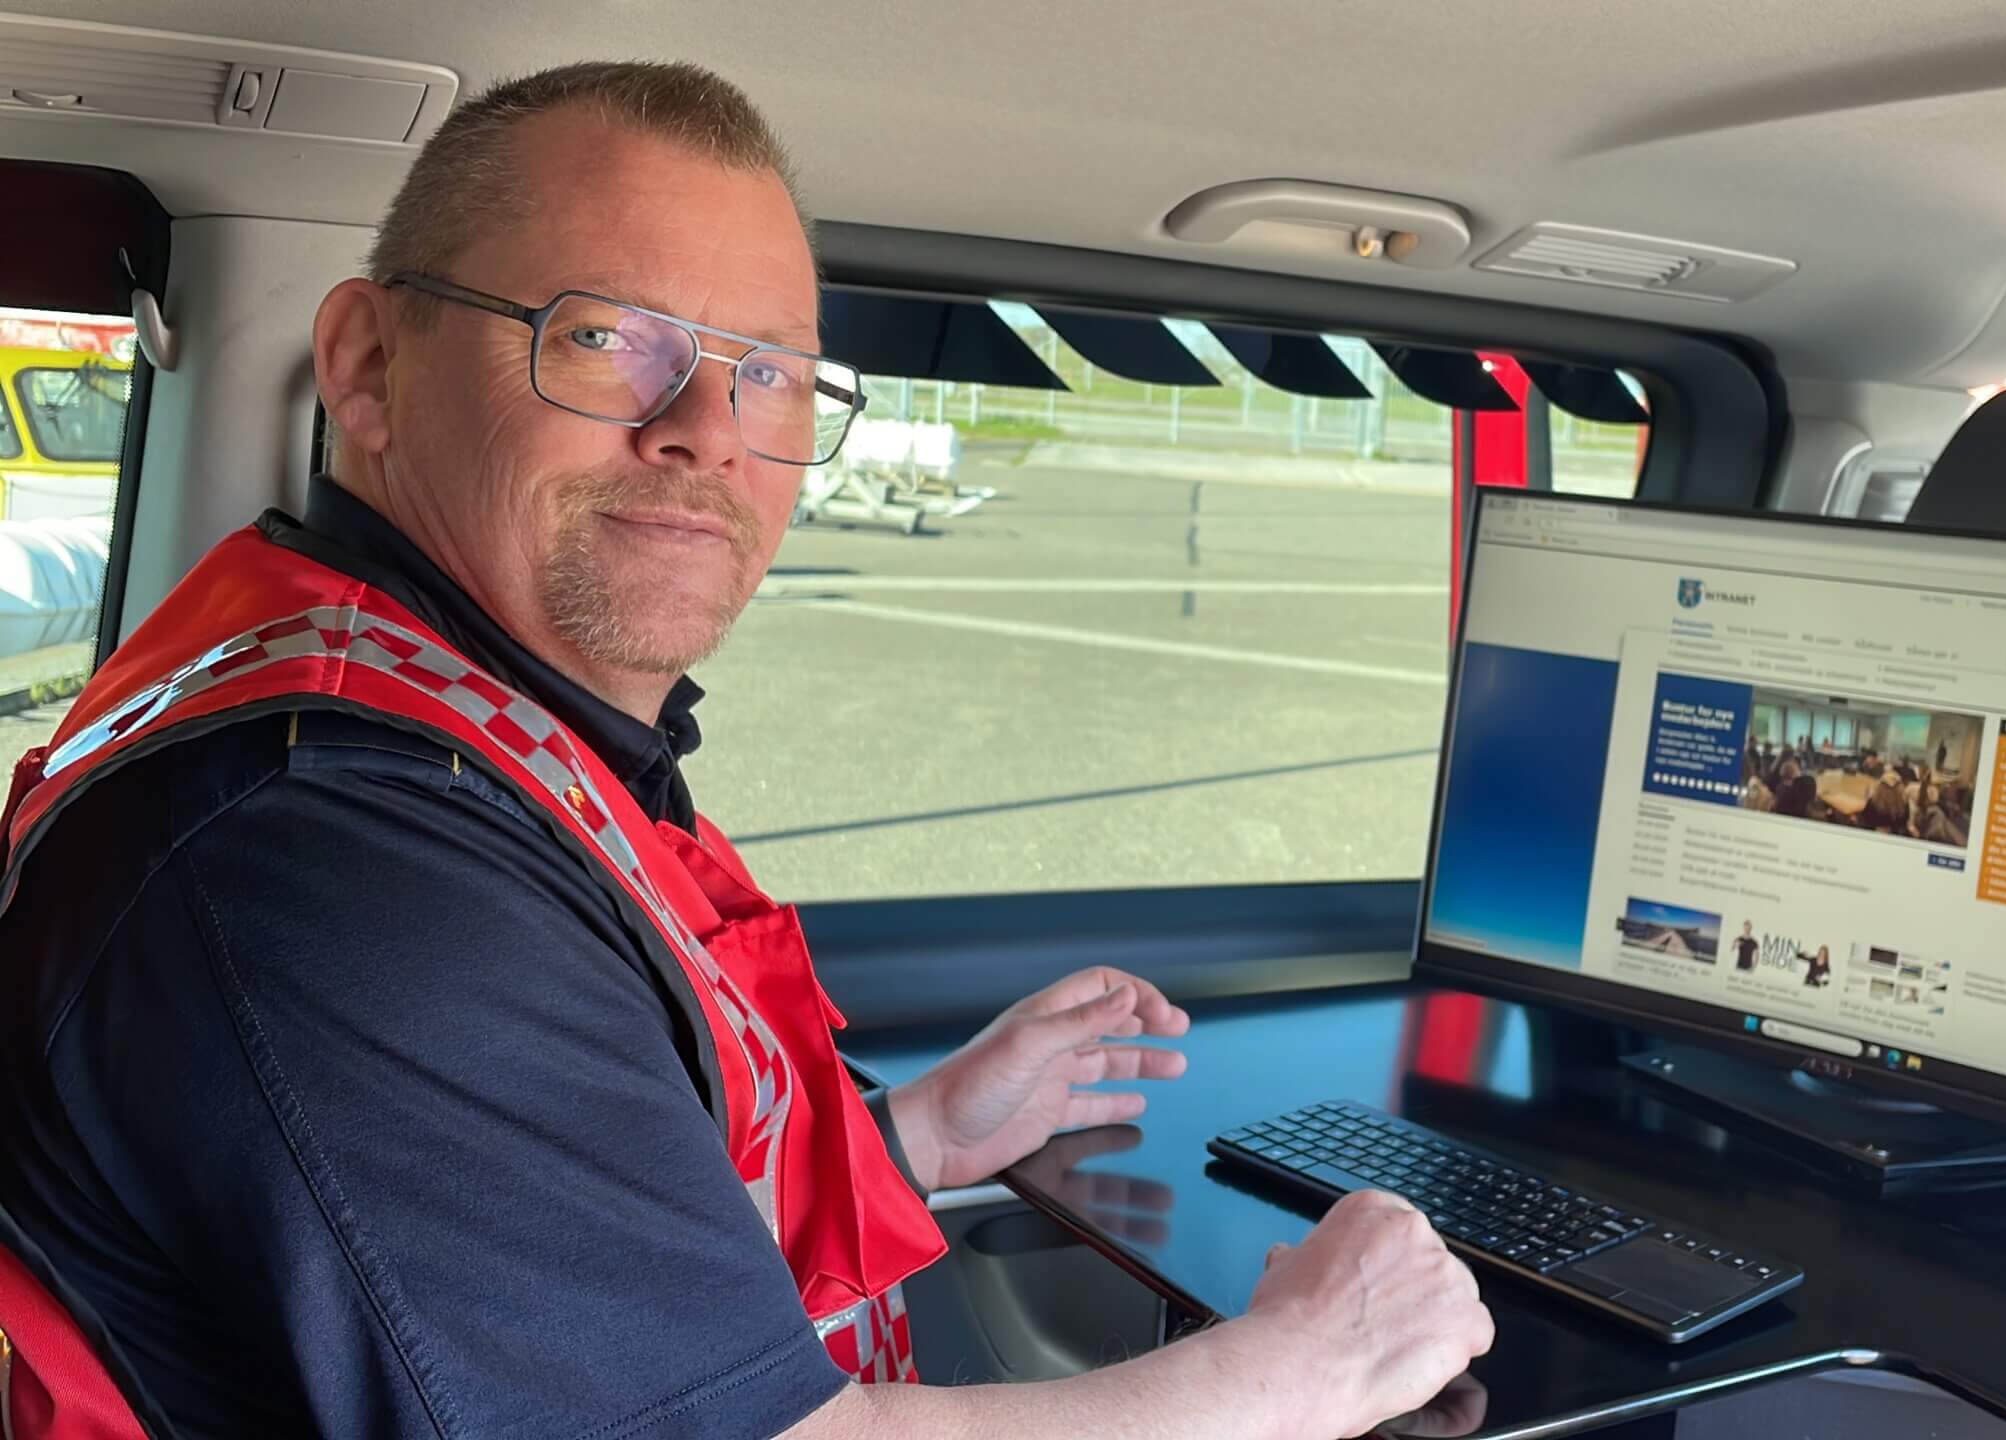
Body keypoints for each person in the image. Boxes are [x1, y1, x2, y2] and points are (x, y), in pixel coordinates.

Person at [0, 62, 1488, 1440]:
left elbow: (576, 1239)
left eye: (771, 372)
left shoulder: (465, 718)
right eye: (602, 336)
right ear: (370, 365)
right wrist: (1312, 1362)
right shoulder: (334, 850)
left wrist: (918, 1136)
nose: (708, 430)